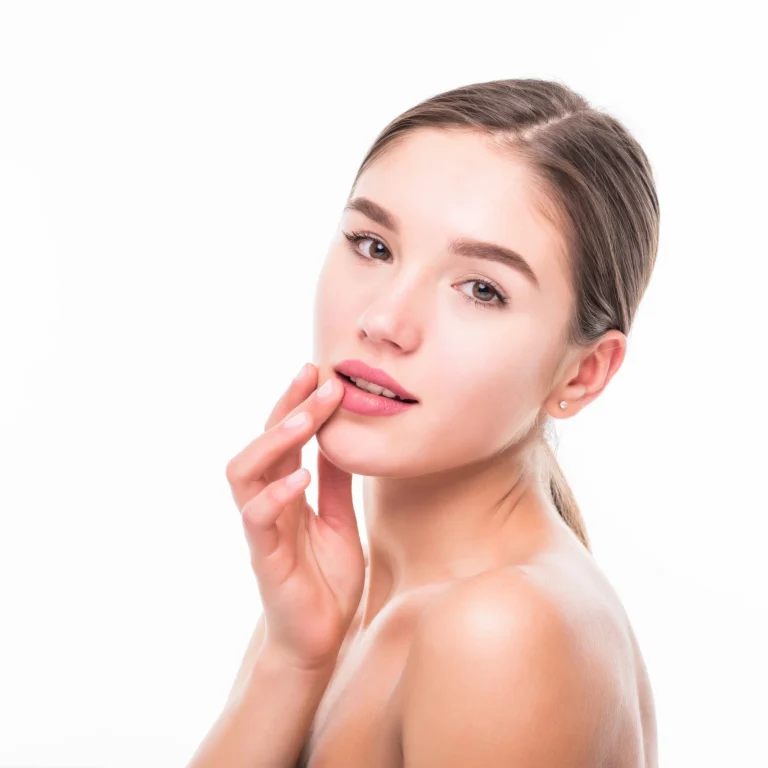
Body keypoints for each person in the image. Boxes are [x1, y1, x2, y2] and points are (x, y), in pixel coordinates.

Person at [187, 77, 660, 768]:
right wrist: (293, 660)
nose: (383, 320)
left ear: (583, 373)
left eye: (481, 289)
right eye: (373, 245)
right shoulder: (343, 598)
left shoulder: (501, 631)